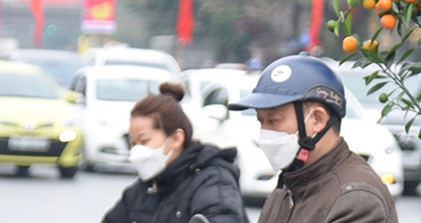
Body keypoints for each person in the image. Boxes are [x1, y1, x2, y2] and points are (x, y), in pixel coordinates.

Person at [228, 52, 398, 223]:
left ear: (317, 119)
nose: (264, 133)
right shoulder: (289, 184)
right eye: (261, 122)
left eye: (273, 121)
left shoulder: (356, 198)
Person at [102, 82, 248, 223]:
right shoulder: (143, 190)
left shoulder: (214, 181)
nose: (137, 151)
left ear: (177, 138)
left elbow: (221, 217)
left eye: (144, 141)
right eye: (133, 143)